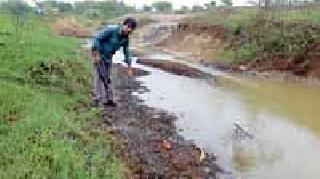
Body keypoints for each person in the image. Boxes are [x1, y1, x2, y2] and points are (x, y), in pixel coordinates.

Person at [91, 18, 137, 107]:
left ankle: (109, 100)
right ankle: (97, 99)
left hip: (109, 57)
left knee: (107, 78)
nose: (129, 30)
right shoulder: (111, 30)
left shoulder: (125, 39)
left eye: (132, 29)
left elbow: (126, 52)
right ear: (124, 25)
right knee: (99, 77)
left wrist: (129, 67)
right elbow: (97, 38)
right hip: (99, 55)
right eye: (128, 27)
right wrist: (96, 54)